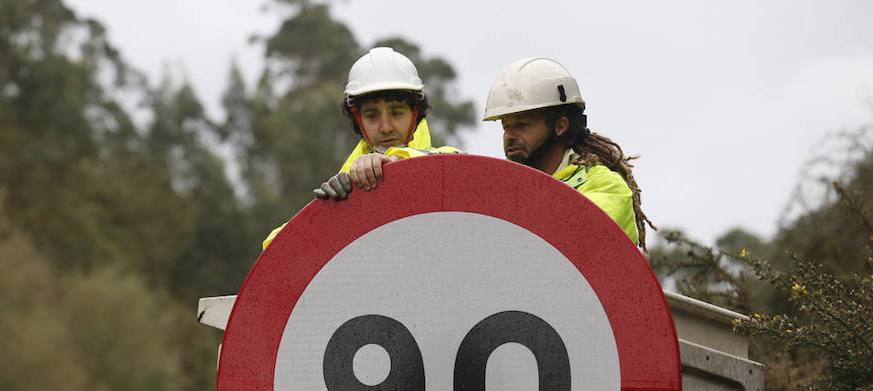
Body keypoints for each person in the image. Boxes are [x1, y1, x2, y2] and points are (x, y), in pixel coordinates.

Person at [263, 47, 461, 249]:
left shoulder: (449, 160)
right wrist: (324, 213)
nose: (385, 127)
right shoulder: (344, 186)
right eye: (372, 116)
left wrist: (399, 165)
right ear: (358, 119)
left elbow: (465, 170)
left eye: (397, 112)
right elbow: (275, 250)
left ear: (415, 113)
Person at [484, 57, 653, 249]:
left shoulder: (605, 185)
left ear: (560, 126)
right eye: (505, 126)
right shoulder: (507, 188)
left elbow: (576, 233)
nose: (509, 135)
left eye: (522, 125)